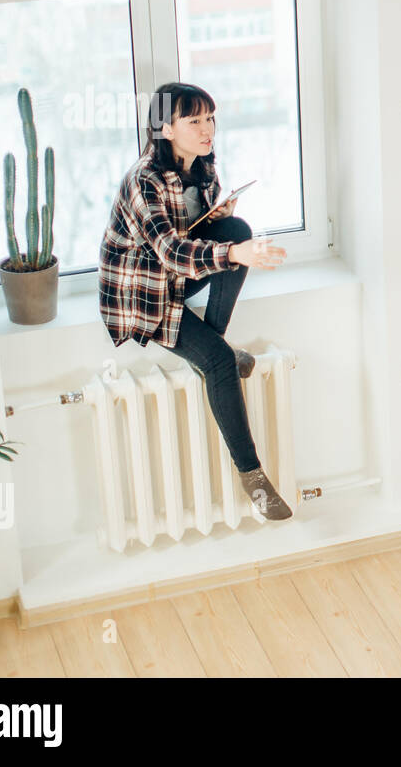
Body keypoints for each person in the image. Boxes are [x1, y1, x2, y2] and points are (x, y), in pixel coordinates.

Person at [98, 82, 293, 519]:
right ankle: (254, 479)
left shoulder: (203, 167)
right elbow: (170, 251)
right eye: (195, 121)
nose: (208, 129)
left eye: (210, 118)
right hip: (143, 295)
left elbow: (196, 233)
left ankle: (213, 346)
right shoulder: (143, 180)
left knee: (237, 228)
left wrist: (218, 221)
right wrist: (234, 255)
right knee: (222, 363)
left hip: (175, 278)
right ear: (165, 128)